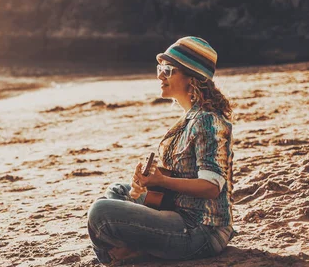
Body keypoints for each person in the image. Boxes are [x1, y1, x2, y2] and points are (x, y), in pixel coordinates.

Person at [87, 36, 235, 265]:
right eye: (160, 68)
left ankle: (129, 254)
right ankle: (135, 252)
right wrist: (150, 181)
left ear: (191, 78)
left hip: (201, 230)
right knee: (118, 191)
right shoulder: (190, 119)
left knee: (100, 214)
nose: (159, 75)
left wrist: (162, 182)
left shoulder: (208, 121)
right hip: (179, 212)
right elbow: (183, 177)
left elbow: (211, 187)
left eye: (168, 70)